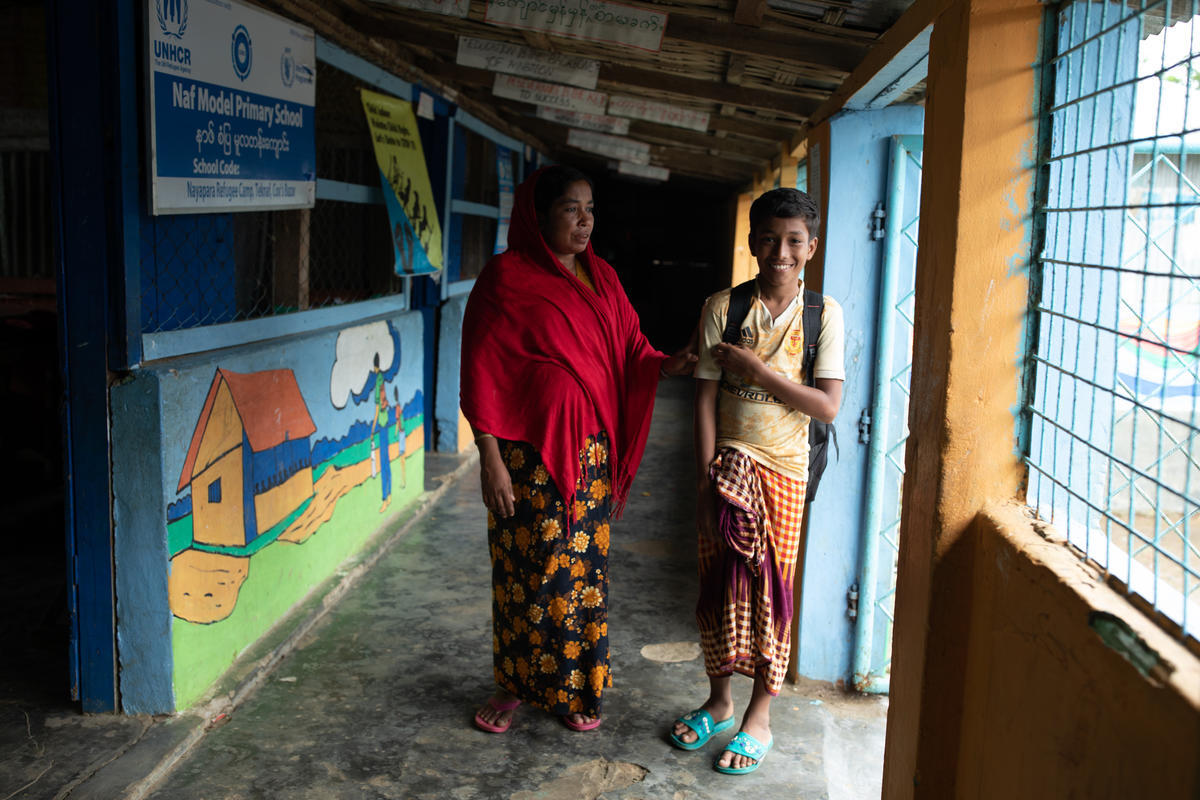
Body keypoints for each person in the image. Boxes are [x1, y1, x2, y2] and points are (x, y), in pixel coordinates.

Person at [461, 165, 696, 734]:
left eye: (590, 209)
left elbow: (634, 349)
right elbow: (480, 370)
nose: (585, 220)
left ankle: (571, 689)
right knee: (528, 571)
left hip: (591, 459)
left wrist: (670, 363)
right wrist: (489, 458)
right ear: (539, 216)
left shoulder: (604, 280)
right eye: (571, 208)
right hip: (526, 459)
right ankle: (513, 685)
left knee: (581, 575)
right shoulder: (505, 279)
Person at [670, 188, 845, 774]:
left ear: (811, 247)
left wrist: (758, 371)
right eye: (769, 238)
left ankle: (758, 717)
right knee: (719, 586)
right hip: (725, 470)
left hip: (785, 472)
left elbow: (826, 407)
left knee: (772, 594)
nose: (780, 252)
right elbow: (703, 401)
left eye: (794, 241)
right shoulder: (723, 307)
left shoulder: (823, 315)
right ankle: (719, 702)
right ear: (752, 242)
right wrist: (701, 483)